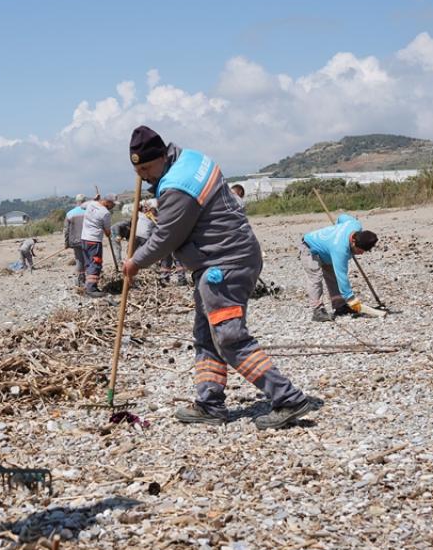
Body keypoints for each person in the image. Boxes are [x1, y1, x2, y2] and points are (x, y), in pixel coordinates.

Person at [122, 126, 317, 430]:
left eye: (146, 168)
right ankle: (210, 403)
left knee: (228, 336)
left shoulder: (178, 186)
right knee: (206, 335)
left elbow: (165, 239)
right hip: (223, 259)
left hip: (224, 265)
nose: (144, 176)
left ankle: (288, 398)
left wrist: (134, 263)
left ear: (162, 156)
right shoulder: (192, 159)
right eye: (138, 171)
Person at [300, 213, 378, 321]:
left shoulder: (355, 224)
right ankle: (317, 311)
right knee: (315, 279)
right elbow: (342, 276)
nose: (360, 254)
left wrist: (337, 228)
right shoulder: (340, 250)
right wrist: (351, 300)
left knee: (332, 277)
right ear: (353, 242)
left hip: (327, 250)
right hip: (309, 248)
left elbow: (342, 217)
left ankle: (340, 306)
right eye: (359, 251)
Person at [80, 194, 115, 297]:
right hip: (94, 240)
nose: (113, 206)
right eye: (113, 204)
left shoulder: (91, 204)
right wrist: (107, 232)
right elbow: (107, 232)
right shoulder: (105, 213)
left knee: (88, 263)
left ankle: (88, 286)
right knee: (95, 263)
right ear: (108, 202)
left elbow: (82, 206)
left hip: (84, 239)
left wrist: (94, 199)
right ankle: (91, 289)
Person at [63, 194, 87, 287]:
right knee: (88, 261)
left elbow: (66, 230)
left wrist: (66, 243)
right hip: (88, 240)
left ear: (76, 201)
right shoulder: (89, 212)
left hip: (75, 241)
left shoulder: (70, 213)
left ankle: (79, 281)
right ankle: (87, 282)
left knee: (79, 261)